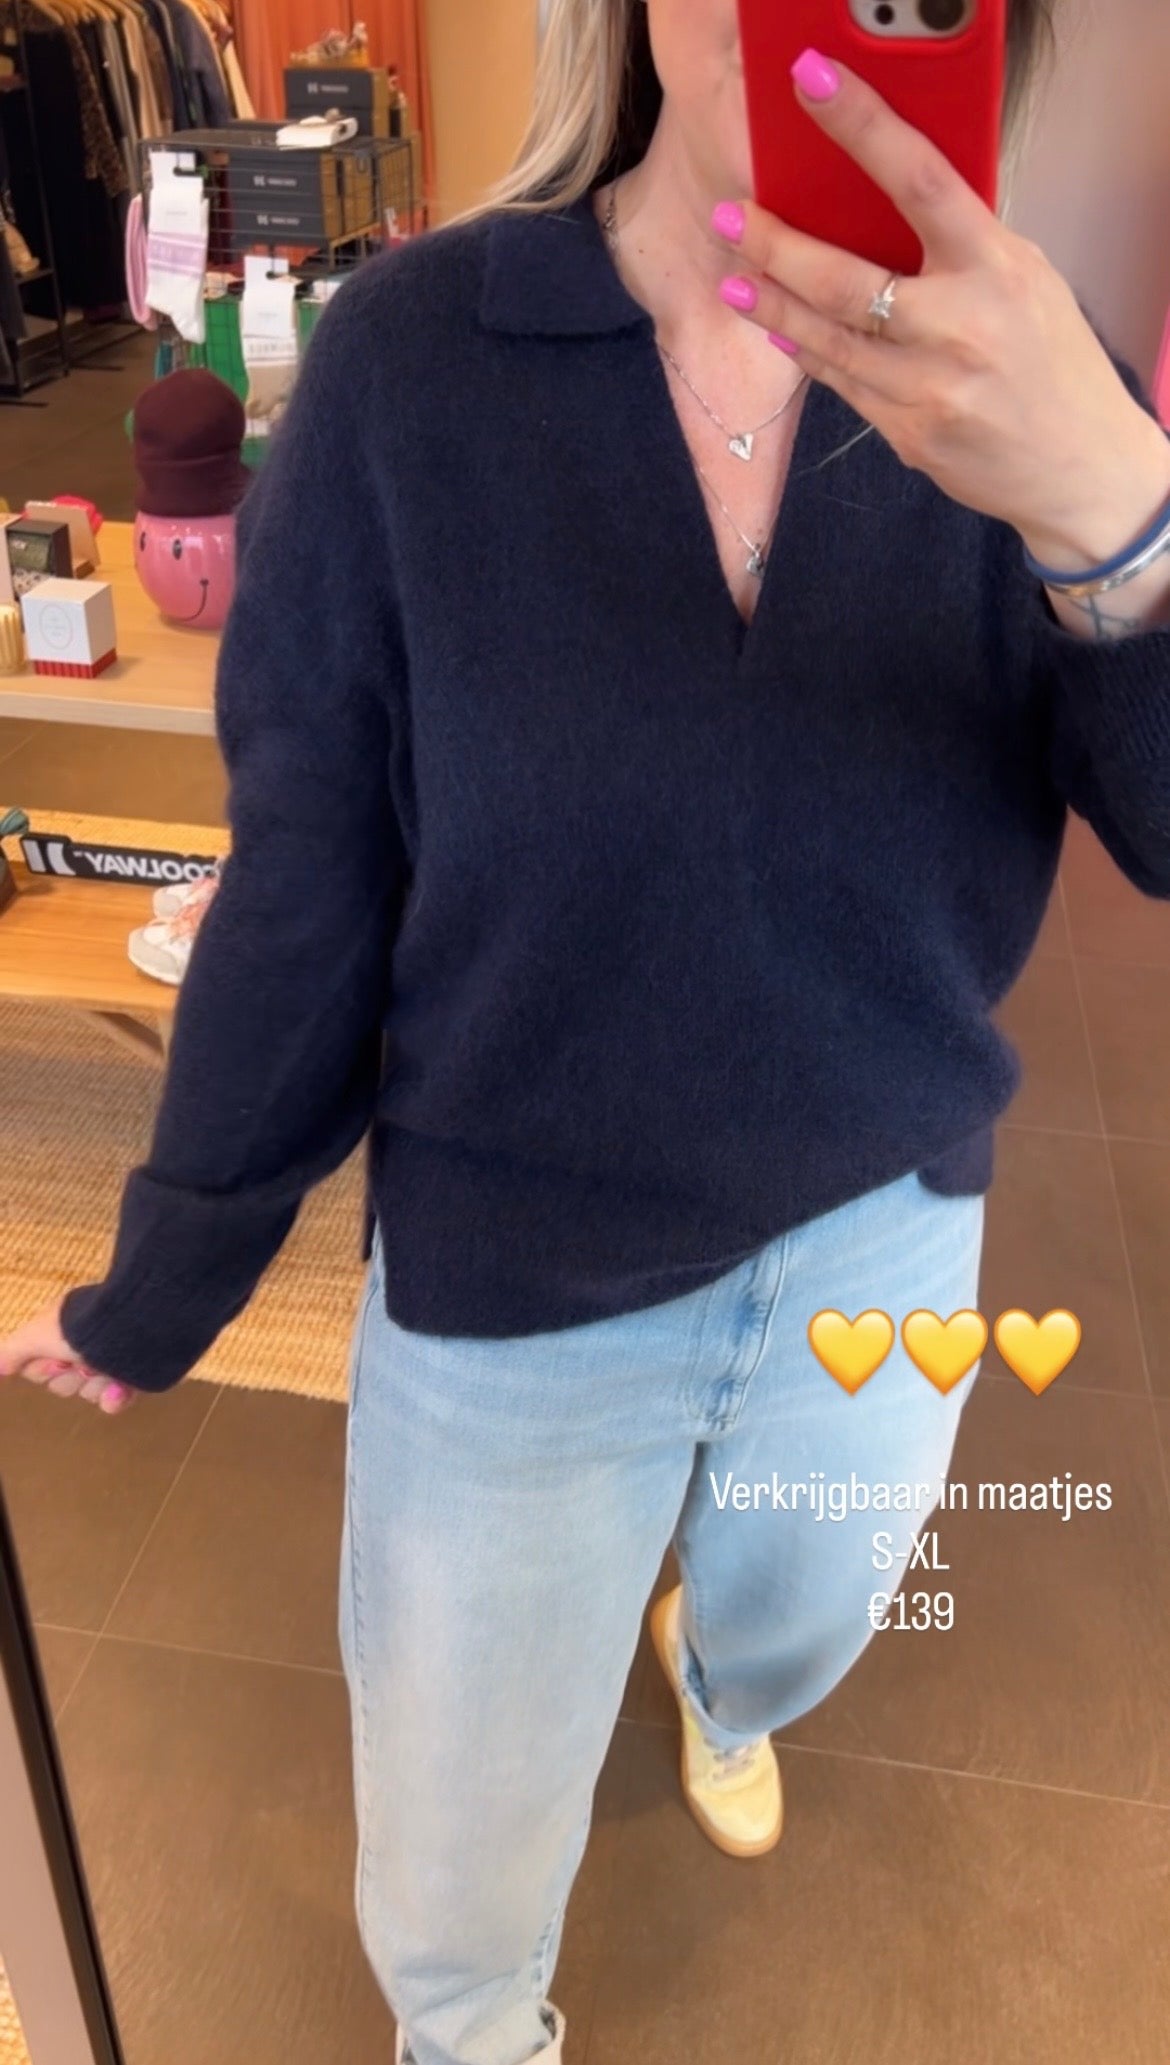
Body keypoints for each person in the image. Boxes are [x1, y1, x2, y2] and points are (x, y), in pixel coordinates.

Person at [4, 2, 1170, 2060]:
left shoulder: (1032, 369)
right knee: (453, 1886)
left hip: (881, 1211)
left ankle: (714, 1674)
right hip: (514, 1266)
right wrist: (169, 1267)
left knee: (800, 1630)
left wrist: (1121, 539)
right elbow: (309, 886)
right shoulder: (409, 368)